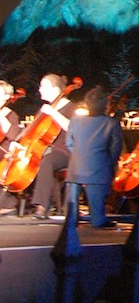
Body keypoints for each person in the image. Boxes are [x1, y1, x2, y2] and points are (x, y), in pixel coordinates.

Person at [65, 86, 123, 228]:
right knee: (97, 206)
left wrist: (80, 155)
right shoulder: (112, 123)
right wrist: (109, 163)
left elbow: (69, 143)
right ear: (105, 105)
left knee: (72, 204)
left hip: (76, 167)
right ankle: (98, 220)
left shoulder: (75, 121)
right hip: (99, 166)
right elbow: (116, 147)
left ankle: (72, 219)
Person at [31, 74, 79, 220]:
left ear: (55, 89)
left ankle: (42, 205)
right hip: (49, 149)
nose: (39, 90)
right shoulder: (46, 108)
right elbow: (33, 131)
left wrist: (53, 113)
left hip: (67, 151)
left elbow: (72, 128)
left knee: (47, 161)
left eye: (43, 86)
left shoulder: (71, 108)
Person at [0, 81, 23, 215]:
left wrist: (1, 116)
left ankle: (8, 204)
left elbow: (14, 135)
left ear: (7, 97)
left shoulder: (11, 115)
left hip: (5, 152)